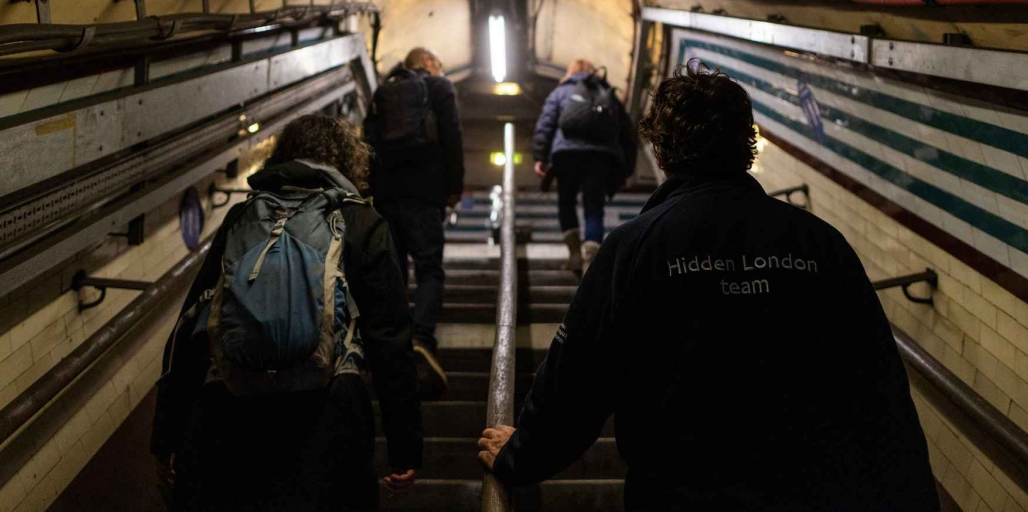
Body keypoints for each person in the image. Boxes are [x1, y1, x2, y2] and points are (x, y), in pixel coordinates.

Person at [479, 62, 940, 511]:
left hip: (676, 491)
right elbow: (878, 386)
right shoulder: (819, 243)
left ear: (661, 150)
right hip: (813, 490)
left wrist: (524, 454)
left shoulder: (633, 248)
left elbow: (578, 378)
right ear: (749, 142)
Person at [151, 114, 421, 511]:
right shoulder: (361, 221)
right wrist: (404, 448)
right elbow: (391, 341)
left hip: (231, 415)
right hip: (329, 417)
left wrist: (167, 435)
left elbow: (192, 325)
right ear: (350, 162)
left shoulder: (242, 217)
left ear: (282, 156)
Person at [364, 47, 464, 396]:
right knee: (429, 269)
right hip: (425, 192)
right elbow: (452, 137)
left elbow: (367, 145)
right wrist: (454, 187)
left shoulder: (383, 90)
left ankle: (391, 341)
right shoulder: (439, 87)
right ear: (428, 63)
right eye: (438, 64)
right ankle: (421, 338)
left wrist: (370, 192)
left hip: (386, 195)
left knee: (393, 271)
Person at [532, 59, 635, 275]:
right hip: (600, 156)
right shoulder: (606, 92)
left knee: (566, 202)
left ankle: (574, 254)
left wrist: (540, 156)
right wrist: (626, 169)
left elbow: (545, 125)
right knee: (594, 207)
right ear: (593, 72)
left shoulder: (560, 93)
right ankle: (592, 258)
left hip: (566, 154)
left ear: (570, 72)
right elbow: (626, 133)